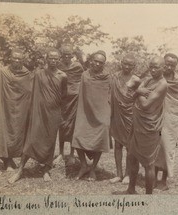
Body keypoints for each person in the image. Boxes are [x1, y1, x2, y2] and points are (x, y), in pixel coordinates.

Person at [8, 49, 67, 183]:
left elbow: (64, 97)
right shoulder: (39, 74)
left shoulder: (63, 76)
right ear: (47, 59)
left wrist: (62, 115)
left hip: (53, 114)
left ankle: (46, 170)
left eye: (56, 58)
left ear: (59, 59)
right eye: (50, 58)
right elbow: (29, 90)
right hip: (39, 112)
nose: (53, 60)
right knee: (31, 139)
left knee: (50, 141)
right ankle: (20, 170)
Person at [0, 48, 34, 175]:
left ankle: (8, 161)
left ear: (22, 60)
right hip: (3, 107)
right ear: (10, 58)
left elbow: (28, 92)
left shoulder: (26, 74)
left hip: (18, 109)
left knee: (14, 133)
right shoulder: (3, 72)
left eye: (19, 59)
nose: (16, 60)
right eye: (14, 58)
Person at [125, 57, 168, 194]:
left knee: (148, 164)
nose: (153, 70)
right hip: (137, 124)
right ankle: (131, 189)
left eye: (156, 67)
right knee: (132, 157)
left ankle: (148, 195)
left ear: (164, 68)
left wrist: (137, 90)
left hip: (149, 126)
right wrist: (138, 91)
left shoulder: (162, 84)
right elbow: (131, 97)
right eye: (151, 67)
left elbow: (145, 104)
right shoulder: (148, 80)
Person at [72, 50, 111, 181]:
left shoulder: (107, 77)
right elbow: (81, 94)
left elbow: (111, 94)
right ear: (91, 61)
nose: (98, 64)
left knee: (102, 133)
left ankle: (93, 169)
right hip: (85, 112)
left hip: (102, 113)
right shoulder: (84, 75)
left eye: (101, 63)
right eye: (96, 61)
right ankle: (83, 165)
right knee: (77, 135)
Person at [154, 53, 178, 190]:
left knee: (168, 146)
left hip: (171, 119)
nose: (169, 67)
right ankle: (153, 178)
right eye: (167, 63)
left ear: (175, 67)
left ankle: (164, 180)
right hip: (155, 116)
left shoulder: (177, 81)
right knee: (155, 145)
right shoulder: (155, 76)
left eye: (172, 65)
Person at [109, 53, 138, 184]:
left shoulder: (137, 80)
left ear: (134, 66)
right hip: (116, 114)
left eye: (130, 64)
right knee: (117, 144)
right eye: (125, 63)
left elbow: (140, 96)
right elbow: (109, 94)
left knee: (129, 146)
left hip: (130, 114)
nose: (127, 66)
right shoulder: (114, 77)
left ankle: (127, 174)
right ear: (121, 63)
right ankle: (118, 174)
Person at [54, 44, 84, 166]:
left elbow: (82, 81)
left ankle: (72, 153)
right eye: (64, 55)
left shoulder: (77, 66)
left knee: (72, 125)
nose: (67, 57)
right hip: (62, 100)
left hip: (74, 100)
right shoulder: (58, 66)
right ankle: (61, 153)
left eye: (69, 55)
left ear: (72, 56)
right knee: (62, 125)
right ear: (61, 56)